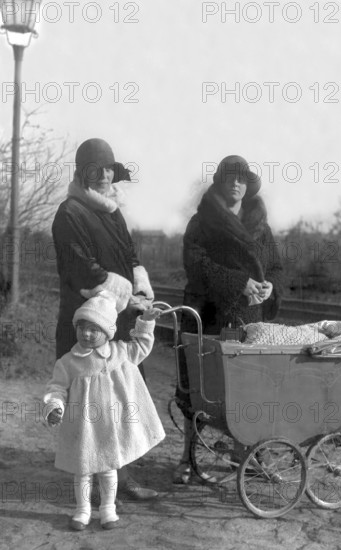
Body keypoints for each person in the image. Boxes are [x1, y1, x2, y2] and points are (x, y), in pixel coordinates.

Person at [51, 138, 157, 499]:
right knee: (89, 406)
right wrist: (123, 289)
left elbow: (129, 254)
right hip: (88, 324)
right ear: (83, 174)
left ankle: (119, 477)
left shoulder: (112, 211)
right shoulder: (70, 213)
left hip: (120, 321)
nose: (104, 176)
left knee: (121, 399)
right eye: (96, 170)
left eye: (109, 169)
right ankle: (90, 483)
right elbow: (82, 269)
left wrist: (138, 282)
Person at [173, 155, 283, 483]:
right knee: (200, 388)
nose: (236, 183)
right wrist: (238, 282)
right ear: (220, 181)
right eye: (230, 177)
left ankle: (245, 454)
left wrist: (269, 287)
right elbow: (195, 264)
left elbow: (276, 266)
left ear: (248, 185)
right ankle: (187, 457)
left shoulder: (261, 226)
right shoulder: (202, 222)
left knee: (247, 386)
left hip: (248, 317)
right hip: (209, 315)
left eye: (242, 178)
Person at [43, 293, 165, 531]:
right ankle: (82, 510)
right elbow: (56, 387)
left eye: (94, 329)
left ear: (108, 332)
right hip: (83, 427)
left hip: (110, 427)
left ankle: (108, 508)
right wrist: (54, 406)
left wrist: (146, 321)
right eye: (82, 328)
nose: (87, 334)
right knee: (83, 471)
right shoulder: (69, 362)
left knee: (109, 469)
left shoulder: (119, 352)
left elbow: (141, 345)